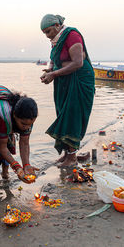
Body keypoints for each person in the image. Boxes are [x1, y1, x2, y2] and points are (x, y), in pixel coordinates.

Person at [40, 14, 95, 167]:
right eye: (44, 33)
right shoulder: (56, 40)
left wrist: (54, 74)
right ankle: (67, 154)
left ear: (57, 26)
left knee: (72, 115)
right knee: (63, 114)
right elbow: (54, 58)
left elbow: (78, 62)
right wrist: (50, 69)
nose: (47, 35)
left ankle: (72, 158)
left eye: (48, 31)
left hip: (79, 80)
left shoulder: (71, 35)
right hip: (64, 80)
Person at [0, 85, 39, 184]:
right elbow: (2, 147)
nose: (26, 127)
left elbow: (24, 143)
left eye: (29, 124)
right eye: (23, 124)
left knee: (9, 142)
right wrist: (17, 167)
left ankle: (5, 175)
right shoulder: (3, 114)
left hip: (6, 119)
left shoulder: (29, 116)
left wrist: (26, 165)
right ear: (14, 115)